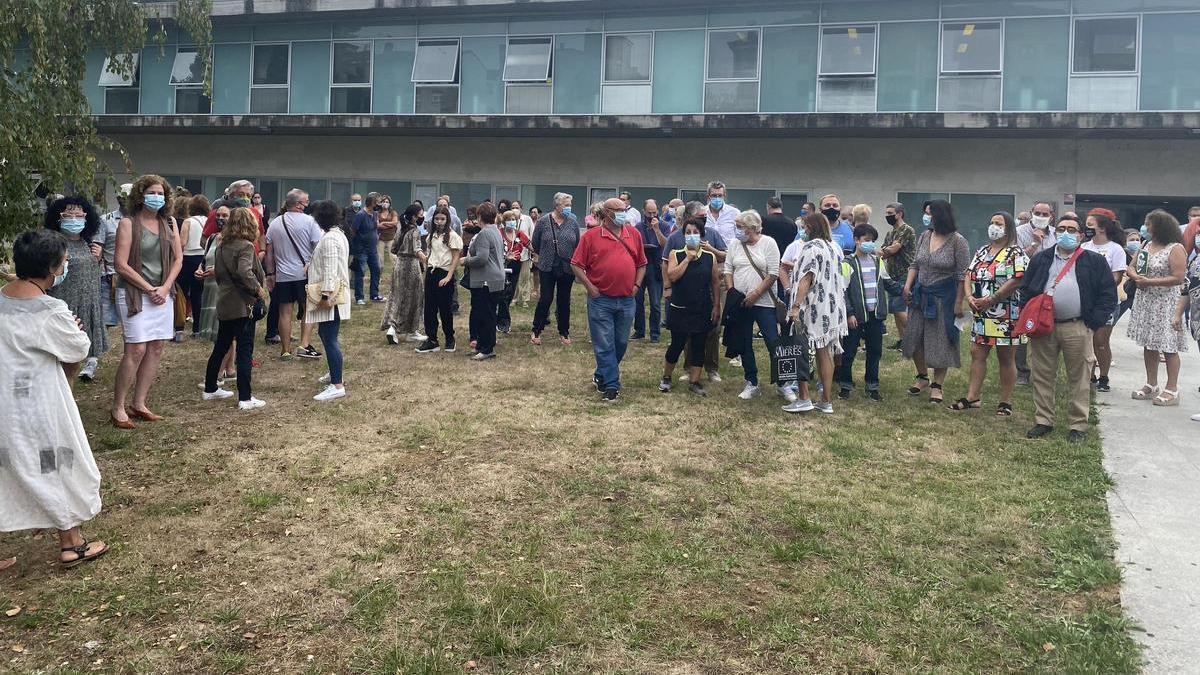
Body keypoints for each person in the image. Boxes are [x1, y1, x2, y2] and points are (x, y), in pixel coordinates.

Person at [0, 229, 109, 568]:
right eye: (63, 262)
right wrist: (72, 328)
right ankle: (71, 541)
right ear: (51, 267)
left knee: (5, 465)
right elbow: (77, 347)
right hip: (38, 403)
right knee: (55, 462)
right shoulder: (50, 309)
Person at [1022, 216, 1118, 441]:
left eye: (1072, 230)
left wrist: (1092, 323)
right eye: (1062, 229)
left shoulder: (1093, 261)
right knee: (1042, 374)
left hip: (1078, 326)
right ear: (1056, 234)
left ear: (1081, 235)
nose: (1066, 233)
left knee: (1080, 377)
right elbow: (1026, 289)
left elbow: (1107, 295)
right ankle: (1043, 420)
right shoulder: (1041, 259)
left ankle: (1078, 425)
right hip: (1044, 327)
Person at [110, 175, 182, 429]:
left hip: (162, 294)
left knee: (156, 347)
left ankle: (139, 403)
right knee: (136, 349)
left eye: (161, 193)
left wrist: (164, 288)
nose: (157, 197)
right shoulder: (128, 224)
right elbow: (120, 264)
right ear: (140, 195)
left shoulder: (169, 223)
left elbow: (178, 260)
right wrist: (149, 288)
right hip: (134, 294)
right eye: (152, 192)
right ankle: (118, 406)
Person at [948, 212, 1028, 415]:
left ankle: (1005, 401)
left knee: (1006, 356)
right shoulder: (983, 250)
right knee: (977, 352)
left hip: (1006, 312)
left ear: (1008, 228)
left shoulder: (1015, 253)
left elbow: (1017, 279)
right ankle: (972, 397)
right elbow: (969, 274)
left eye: (998, 223)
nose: (993, 226)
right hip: (980, 311)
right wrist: (969, 297)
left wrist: (992, 299)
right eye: (992, 222)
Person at [572, 197, 648, 402]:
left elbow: (642, 263)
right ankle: (612, 385)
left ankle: (601, 374)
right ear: (606, 213)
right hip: (601, 300)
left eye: (624, 209)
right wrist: (590, 287)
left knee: (620, 341)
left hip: (626, 299)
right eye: (618, 210)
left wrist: (637, 286)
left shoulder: (633, 234)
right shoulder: (591, 237)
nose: (623, 213)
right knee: (604, 343)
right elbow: (576, 264)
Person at [902, 199, 970, 404]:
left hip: (943, 298)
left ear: (941, 215)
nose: (926, 217)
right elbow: (915, 263)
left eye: (930, 213)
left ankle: (937, 385)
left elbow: (962, 274)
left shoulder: (958, 241)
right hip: (920, 295)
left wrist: (959, 302)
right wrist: (907, 285)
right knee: (914, 338)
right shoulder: (925, 235)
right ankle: (922, 376)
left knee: (941, 341)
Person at [723, 210, 793, 403]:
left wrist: (755, 294)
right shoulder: (734, 244)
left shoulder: (769, 243)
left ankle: (783, 383)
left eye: (740, 227)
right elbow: (728, 269)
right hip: (740, 302)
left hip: (764, 302)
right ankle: (751, 380)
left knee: (773, 340)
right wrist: (732, 292)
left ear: (752, 228)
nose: (737, 230)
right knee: (744, 342)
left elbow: (772, 274)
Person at [201, 208, 268, 410]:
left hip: (225, 301)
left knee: (221, 346)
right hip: (243, 305)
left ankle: (210, 388)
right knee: (245, 350)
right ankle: (245, 398)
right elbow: (244, 271)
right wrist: (258, 290)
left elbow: (220, 274)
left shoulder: (221, 245)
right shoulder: (246, 246)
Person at [784, 212, 847, 414]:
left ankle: (804, 397)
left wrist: (796, 306)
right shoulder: (833, 248)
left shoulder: (810, 248)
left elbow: (806, 278)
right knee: (824, 351)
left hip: (811, 307)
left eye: (804, 227)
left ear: (811, 227)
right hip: (830, 308)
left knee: (800, 349)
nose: (802, 231)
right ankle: (826, 400)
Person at [1126, 209, 1189, 406]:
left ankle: (1172, 389)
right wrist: (1136, 277)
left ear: (1159, 226)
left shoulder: (1175, 248)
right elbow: (1131, 266)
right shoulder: (1146, 244)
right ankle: (1151, 384)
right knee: (1149, 344)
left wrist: (1151, 282)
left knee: (1168, 346)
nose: (1146, 227)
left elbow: (1178, 277)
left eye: (1149, 223)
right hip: (1146, 302)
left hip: (1166, 303)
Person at [43, 196, 109, 382]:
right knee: (59, 359)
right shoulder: (53, 244)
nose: (74, 218)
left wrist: (97, 259)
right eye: (68, 214)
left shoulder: (90, 244)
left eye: (79, 214)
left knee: (74, 359)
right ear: (58, 217)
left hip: (87, 305)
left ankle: (68, 399)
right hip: (64, 305)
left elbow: (93, 274)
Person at [664, 202, 728, 382]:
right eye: (688, 232)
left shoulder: (710, 253)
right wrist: (687, 260)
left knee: (704, 338)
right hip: (681, 305)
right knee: (679, 342)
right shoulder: (675, 248)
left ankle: (698, 378)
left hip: (703, 303)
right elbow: (670, 272)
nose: (692, 235)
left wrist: (716, 305)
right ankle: (669, 375)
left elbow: (715, 281)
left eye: (696, 232)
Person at [265, 189, 322, 360]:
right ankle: (304, 344)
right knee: (308, 310)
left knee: (285, 313)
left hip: (282, 275)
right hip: (305, 274)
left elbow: (269, 252)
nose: (308, 203)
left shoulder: (275, 222)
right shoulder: (310, 222)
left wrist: (270, 273)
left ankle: (285, 350)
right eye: (306, 200)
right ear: (298, 204)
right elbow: (318, 246)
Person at [836, 223, 887, 402]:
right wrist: (849, 313)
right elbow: (843, 290)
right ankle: (845, 385)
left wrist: (906, 291)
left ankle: (872, 386)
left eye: (872, 241)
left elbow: (886, 283)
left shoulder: (878, 261)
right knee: (849, 352)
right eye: (866, 240)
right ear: (856, 240)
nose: (870, 244)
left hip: (875, 315)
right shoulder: (847, 263)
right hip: (856, 316)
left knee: (874, 352)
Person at [307, 200, 352, 402]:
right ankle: (335, 373)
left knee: (329, 336)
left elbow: (330, 269)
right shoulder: (335, 235)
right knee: (325, 334)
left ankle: (337, 384)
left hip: (330, 296)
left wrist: (325, 296)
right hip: (332, 293)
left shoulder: (330, 238)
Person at [1081, 208, 1127, 392]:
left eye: (1090, 225)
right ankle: (1089, 375)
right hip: (1086, 301)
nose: (1087, 228)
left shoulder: (1115, 249)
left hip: (1106, 302)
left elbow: (1116, 277)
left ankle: (1104, 376)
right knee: (1088, 340)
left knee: (1101, 341)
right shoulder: (1084, 247)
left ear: (1102, 228)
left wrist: (1097, 286)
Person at [530, 192, 580, 345]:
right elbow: (535, 242)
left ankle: (564, 332)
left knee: (564, 300)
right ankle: (536, 329)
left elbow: (577, 243)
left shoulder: (573, 222)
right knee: (546, 298)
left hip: (567, 267)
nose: (568, 208)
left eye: (570, 205)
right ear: (557, 206)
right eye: (566, 205)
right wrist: (543, 255)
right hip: (547, 265)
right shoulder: (544, 221)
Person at [460, 202, 505, 360]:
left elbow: (482, 258)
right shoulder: (496, 231)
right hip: (495, 278)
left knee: (486, 315)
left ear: (479, 216)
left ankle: (487, 348)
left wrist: (465, 260)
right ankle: (481, 345)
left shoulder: (485, 233)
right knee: (485, 313)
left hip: (487, 280)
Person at [416, 206, 462, 353]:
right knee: (429, 308)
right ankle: (432, 339)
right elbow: (431, 254)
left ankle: (450, 338)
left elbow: (455, 258)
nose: (439, 222)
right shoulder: (432, 236)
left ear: (447, 220)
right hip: (432, 272)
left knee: (445, 309)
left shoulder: (453, 236)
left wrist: (449, 276)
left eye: (442, 219)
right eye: (436, 219)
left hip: (445, 273)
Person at [382, 204, 428, 344]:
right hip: (412, 266)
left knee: (397, 296)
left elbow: (394, 248)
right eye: (420, 214)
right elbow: (417, 249)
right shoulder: (414, 231)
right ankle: (411, 331)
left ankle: (392, 327)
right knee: (415, 297)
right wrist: (427, 260)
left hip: (399, 265)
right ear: (414, 216)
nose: (422, 217)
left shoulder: (401, 228)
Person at [878, 201, 916, 351]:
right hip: (891, 274)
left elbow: (892, 250)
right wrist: (887, 249)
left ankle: (914, 338)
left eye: (890, 214)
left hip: (905, 273)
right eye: (886, 214)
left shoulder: (907, 230)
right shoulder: (890, 233)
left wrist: (888, 249)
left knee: (899, 308)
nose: (888, 216)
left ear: (899, 214)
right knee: (894, 310)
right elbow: (883, 252)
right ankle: (903, 341)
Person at [633, 199, 667, 342]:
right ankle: (639, 331)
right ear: (643, 212)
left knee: (655, 303)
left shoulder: (664, 225)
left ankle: (655, 334)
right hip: (640, 266)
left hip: (656, 267)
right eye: (649, 212)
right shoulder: (638, 227)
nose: (652, 215)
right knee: (638, 300)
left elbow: (666, 245)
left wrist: (657, 230)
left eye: (654, 212)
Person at [176, 194, 210, 338]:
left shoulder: (188, 221)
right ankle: (197, 328)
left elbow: (182, 242)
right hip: (203, 258)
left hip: (188, 258)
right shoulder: (209, 221)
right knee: (198, 294)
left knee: (182, 293)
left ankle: (179, 328)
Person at [498, 209, 531, 334]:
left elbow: (530, 246)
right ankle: (503, 321)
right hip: (501, 265)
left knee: (509, 294)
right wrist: (505, 256)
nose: (511, 222)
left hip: (515, 265)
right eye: (508, 220)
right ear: (504, 221)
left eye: (513, 220)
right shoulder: (499, 233)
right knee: (502, 294)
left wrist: (537, 254)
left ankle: (502, 319)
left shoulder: (519, 234)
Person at [350, 192, 384, 305]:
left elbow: (375, 227)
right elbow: (353, 231)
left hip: (372, 249)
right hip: (361, 249)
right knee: (360, 272)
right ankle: (359, 297)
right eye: (378, 202)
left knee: (376, 270)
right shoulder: (360, 215)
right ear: (372, 203)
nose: (380, 204)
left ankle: (374, 294)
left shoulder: (374, 214)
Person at [1115, 228, 1142, 325]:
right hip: (1124, 292)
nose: (1135, 242)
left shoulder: (1142, 255)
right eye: (1131, 240)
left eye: (1137, 240)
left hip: (1137, 292)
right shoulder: (1121, 254)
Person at [377, 194, 399, 265]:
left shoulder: (393, 212)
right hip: (380, 239)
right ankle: (379, 274)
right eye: (383, 202)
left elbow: (395, 223)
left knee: (393, 258)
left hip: (391, 238)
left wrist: (383, 223)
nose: (385, 203)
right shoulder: (377, 213)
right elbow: (378, 225)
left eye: (387, 202)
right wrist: (389, 225)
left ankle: (395, 275)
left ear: (390, 203)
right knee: (380, 259)